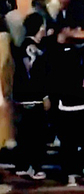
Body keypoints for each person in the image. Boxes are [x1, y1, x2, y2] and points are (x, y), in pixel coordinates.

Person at [52, 7, 84, 186]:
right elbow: (56, 76)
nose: (79, 33)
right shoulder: (61, 51)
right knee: (69, 142)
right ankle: (69, 172)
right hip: (68, 103)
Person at [12, 13, 49, 180]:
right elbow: (36, 75)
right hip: (34, 97)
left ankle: (22, 165)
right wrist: (44, 95)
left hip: (21, 96)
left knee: (25, 133)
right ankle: (35, 166)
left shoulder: (22, 47)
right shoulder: (34, 48)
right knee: (36, 133)